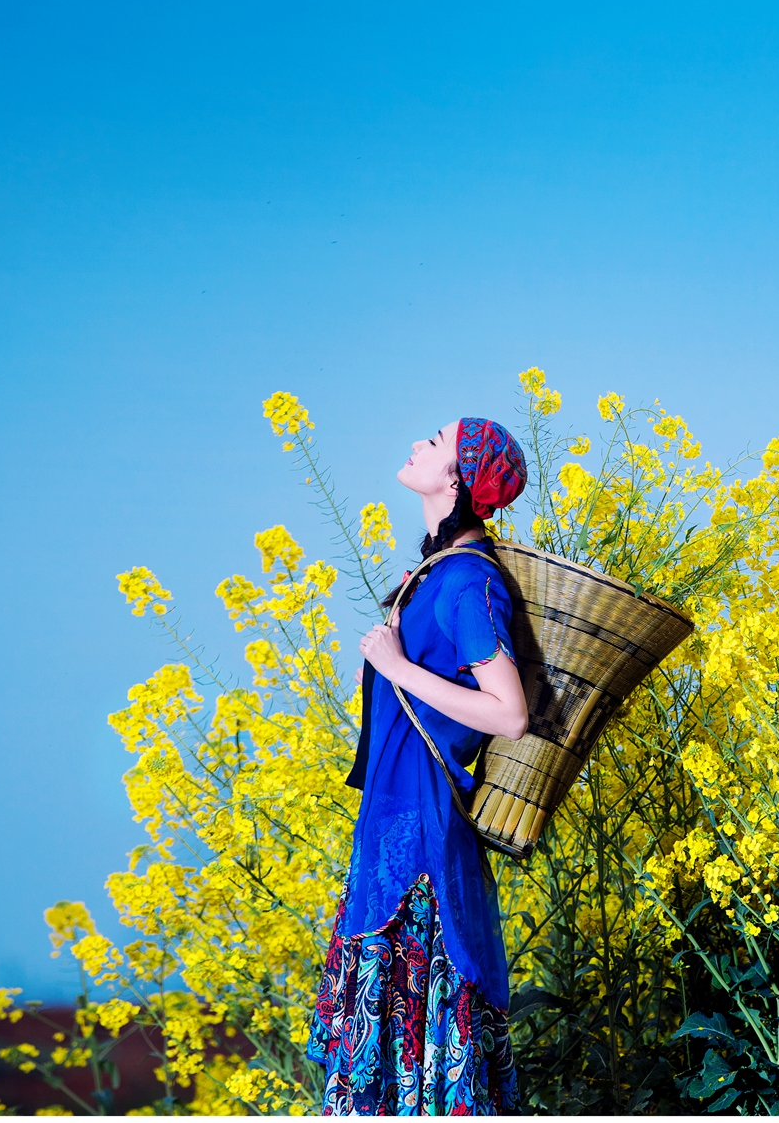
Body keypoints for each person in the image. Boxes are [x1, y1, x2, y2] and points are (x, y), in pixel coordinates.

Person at [307, 416, 531, 1115]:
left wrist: (397, 665)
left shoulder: (466, 580)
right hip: (391, 841)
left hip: (423, 855)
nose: (416, 443)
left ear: (459, 475)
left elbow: (509, 711)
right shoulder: (436, 573)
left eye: (435, 440)